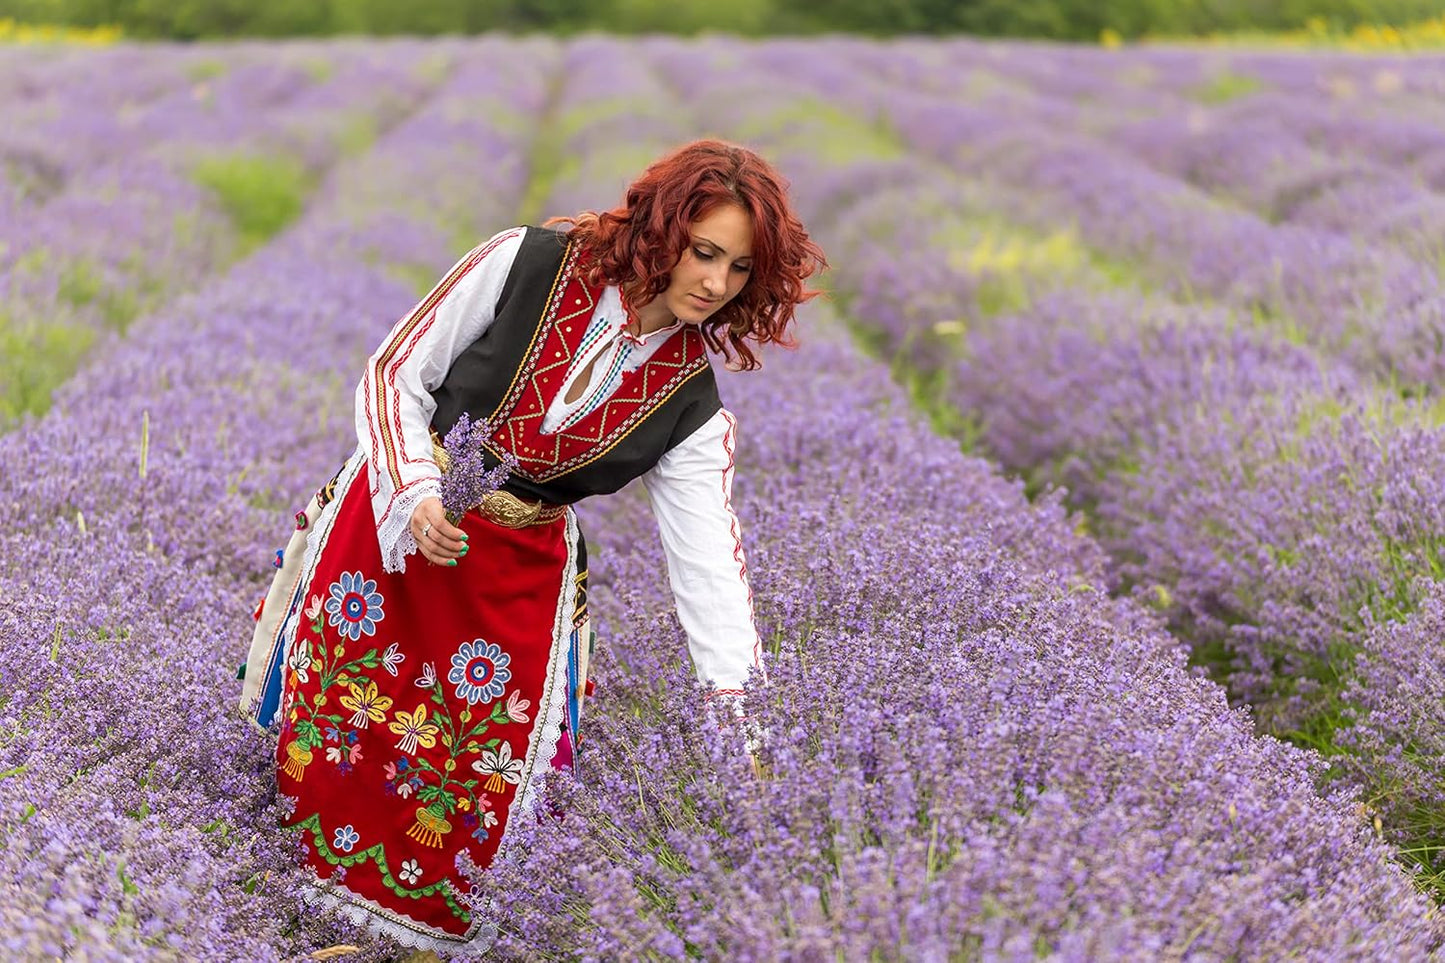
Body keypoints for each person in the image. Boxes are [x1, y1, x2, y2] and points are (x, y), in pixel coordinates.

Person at [235, 139, 826, 954]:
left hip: (513, 588)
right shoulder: (526, 261)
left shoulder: (693, 404)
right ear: (661, 228)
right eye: (704, 252)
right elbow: (392, 376)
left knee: (467, 793)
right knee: (340, 748)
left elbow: (710, 573)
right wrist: (412, 493)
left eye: (737, 270)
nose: (714, 284)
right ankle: (269, 924)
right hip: (393, 542)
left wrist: (742, 730)